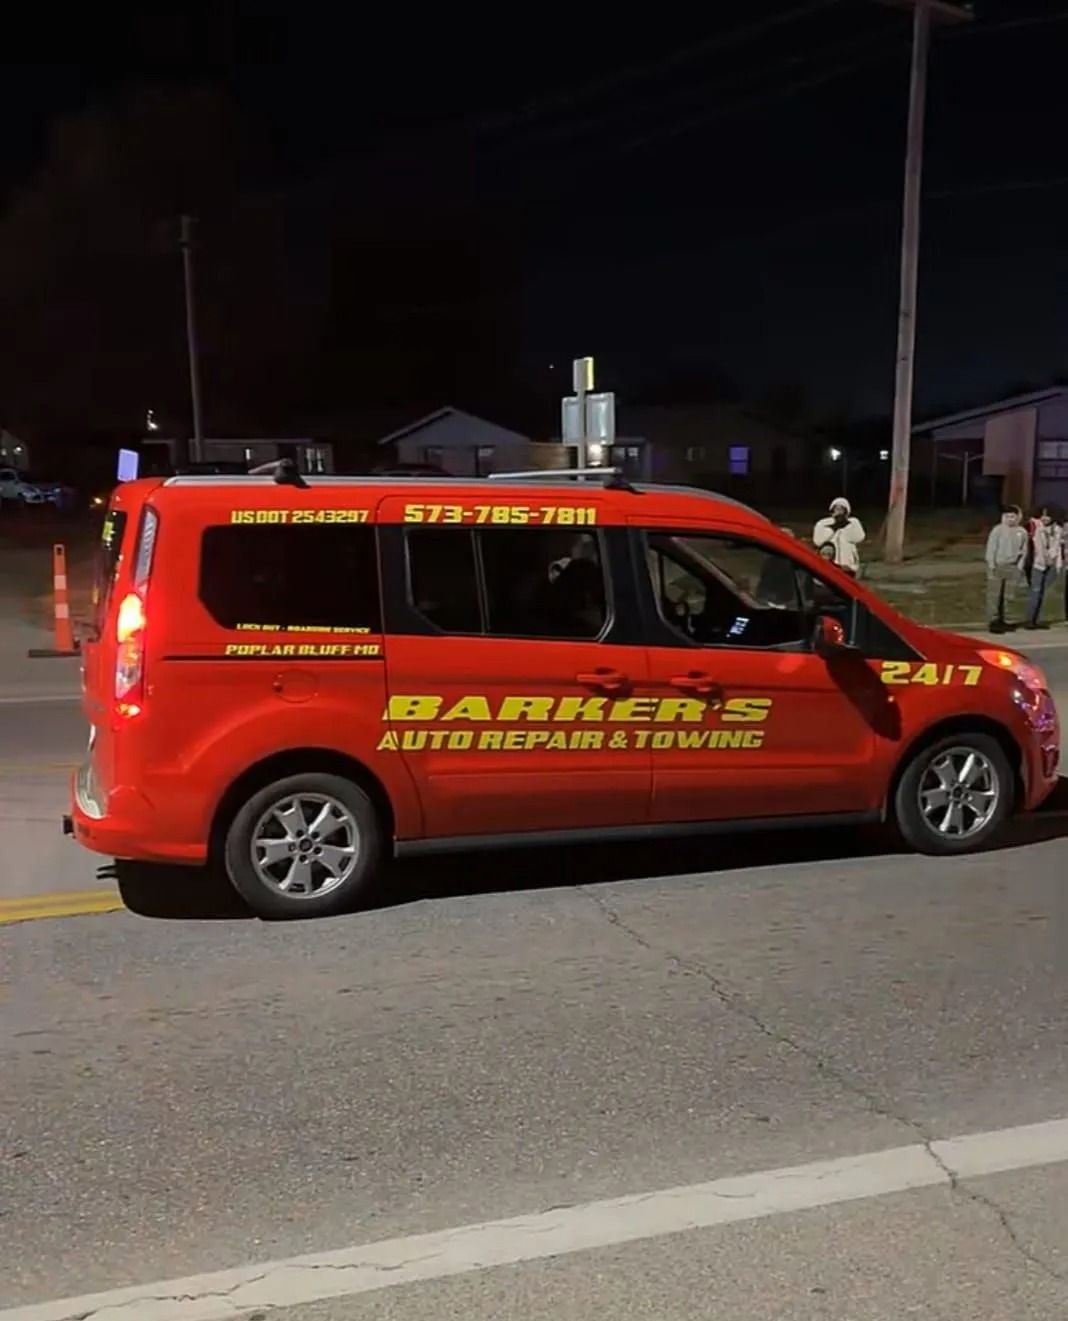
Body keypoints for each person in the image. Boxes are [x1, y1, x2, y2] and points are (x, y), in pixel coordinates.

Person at [985, 504, 1028, 633]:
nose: (1010, 519)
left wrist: (1020, 565)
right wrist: (991, 564)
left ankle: (1006, 621)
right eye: (1008, 516)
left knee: (1009, 596)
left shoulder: (1022, 532)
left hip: (1013, 567)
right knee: (994, 596)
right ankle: (993, 621)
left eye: (1013, 517)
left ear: (1017, 517)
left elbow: (1025, 550)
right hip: (998, 566)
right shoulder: (997, 530)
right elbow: (991, 548)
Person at [1025, 505, 1063, 628]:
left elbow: (1056, 546)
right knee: (1035, 591)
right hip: (1038, 564)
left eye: (1048, 515)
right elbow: (1037, 546)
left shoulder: (1057, 529)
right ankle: (1029, 620)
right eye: (1043, 515)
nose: (1045, 518)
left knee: (1042, 592)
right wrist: (1045, 558)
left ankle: (1036, 619)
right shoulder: (1037, 528)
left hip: (1052, 565)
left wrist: (1052, 559)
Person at [812, 497, 865, 577]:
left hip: (848, 565)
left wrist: (845, 525)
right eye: (836, 509)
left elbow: (859, 537)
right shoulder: (823, 523)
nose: (839, 512)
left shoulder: (853, 522)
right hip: (829, 565)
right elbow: (818, 541)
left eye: (842, 509)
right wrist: (834, 528)